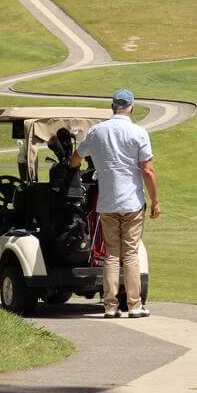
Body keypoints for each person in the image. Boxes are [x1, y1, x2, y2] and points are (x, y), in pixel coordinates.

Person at [71, 89, 159, 318]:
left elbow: (76, 158)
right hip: (131, 202)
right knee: (130, 254)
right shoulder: (138, 132)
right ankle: (133, 305)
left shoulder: (97, 132)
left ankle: (110, 306)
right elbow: (147, 170)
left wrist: (71, 169)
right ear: (131, 107)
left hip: (107, 203)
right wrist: (156, 200)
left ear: (112, 106)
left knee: (111, 255)